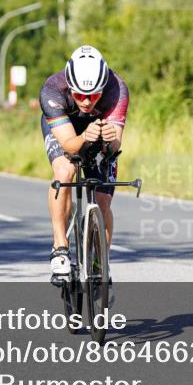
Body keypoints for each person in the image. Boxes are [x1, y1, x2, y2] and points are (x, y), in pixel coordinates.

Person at [39, 45, 129, 277]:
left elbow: (114, 146)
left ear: (103, 88)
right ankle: (60, 247)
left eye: (93, 95)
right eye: (79, 95)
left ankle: (100, 262)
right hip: (66, 128)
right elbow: (69, 144)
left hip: (99, 129)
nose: (87, 102)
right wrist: (83, 137)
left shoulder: (116, 89)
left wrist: (109, 141)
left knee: (103, 200)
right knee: (65, 171)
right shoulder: (52, 89)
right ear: (70, 85)